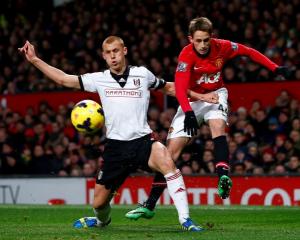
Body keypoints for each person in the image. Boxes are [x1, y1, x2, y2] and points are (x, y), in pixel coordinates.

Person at [18, 36, 219, 231]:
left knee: (167, 162)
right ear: (103, 56)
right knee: (98, 204)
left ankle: (186, 220)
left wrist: (200, 96)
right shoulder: (99, 79)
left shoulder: (142, 74)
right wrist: (35, 60)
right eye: (108, 53)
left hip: (143, 142)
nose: (113, 56)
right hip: (115, 148)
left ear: (124, 51)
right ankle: (101, 222)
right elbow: (63, 79)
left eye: (116, 51)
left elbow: (170, 88)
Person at [126, 17, 290, 220]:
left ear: (212, 37)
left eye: (206, 40)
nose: (203, 45)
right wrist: (187, 112)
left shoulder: (222, 47)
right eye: (198, 41)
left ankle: (222, 175)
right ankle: (150, 205)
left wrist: (274, 67)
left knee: (217, 127)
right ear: (190, 39)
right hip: (192, 99)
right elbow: (179, 86)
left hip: (215, 95)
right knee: (170, 154)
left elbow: (248, 51)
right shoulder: (185, 55)